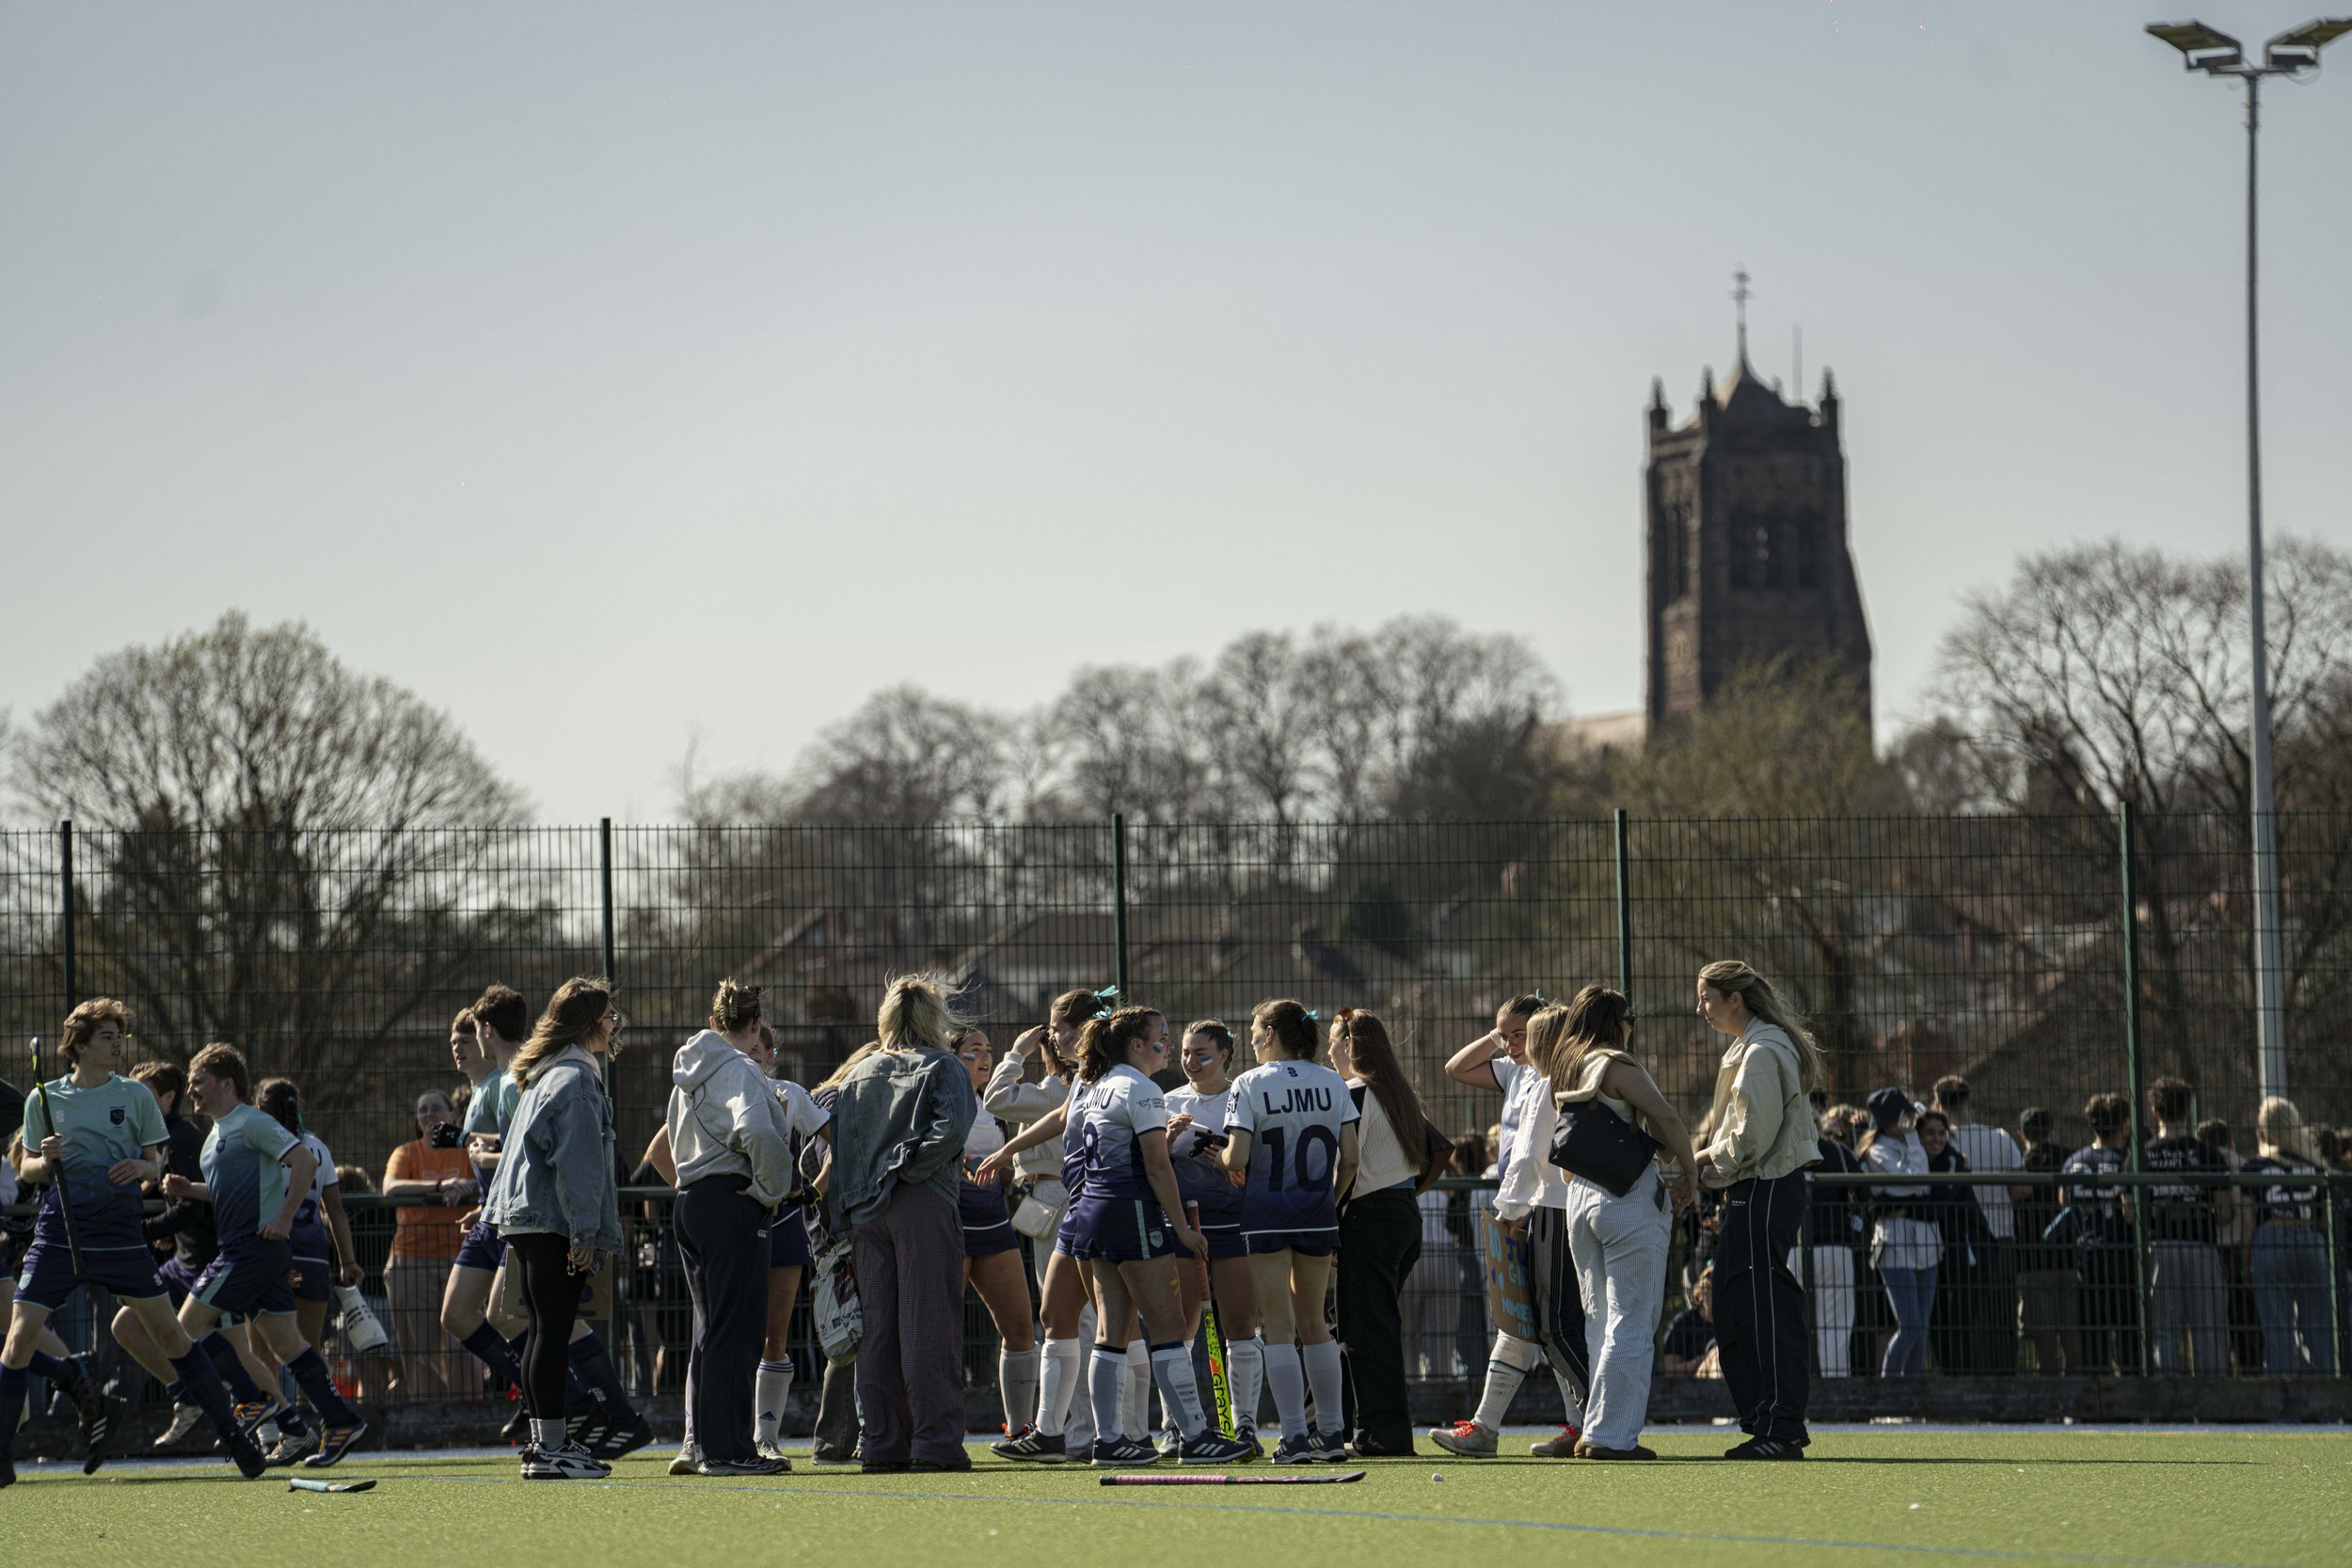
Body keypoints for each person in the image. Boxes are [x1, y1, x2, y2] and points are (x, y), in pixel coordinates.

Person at [4, 1002, 265, 1488]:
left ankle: (234, 1435)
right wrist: (46, 1159)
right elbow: (29, 1169)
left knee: (171, 1336)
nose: (117, 1045)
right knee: (18, 1340)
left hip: (119, 1234)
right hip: (59, 1234)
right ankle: (2, 1458)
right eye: (107, 1037)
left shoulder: (135, 1096)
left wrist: (142, 1168)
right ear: (80, 1046)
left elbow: (154, 1162)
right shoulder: (44, 1099)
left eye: (119, 1036)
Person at [1056, 1006, 1255, 1467]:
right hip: (1130, 1213)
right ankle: (1196, 1437)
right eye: (1162, 1038)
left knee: (1110, 1333)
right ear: (1137, 1045)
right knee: (1168, 1328)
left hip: (1092, 1211)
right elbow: (1157, 1166)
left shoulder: (1096, 1085)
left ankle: (1109, 1441)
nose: (1168, 1046)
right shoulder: (1141, 1088)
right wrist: (1182, 1229)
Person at [167, 1043, 371, 1465]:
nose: (190, 1090)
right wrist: (192, 1190)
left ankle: (253, 1398)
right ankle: (340, 1421)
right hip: (254, 1251)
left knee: (184, 1328)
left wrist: (284, 1216)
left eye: (198, 1080)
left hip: (251, 1249)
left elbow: (305, 1162)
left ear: (227, 1083)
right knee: (287, 1345)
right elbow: (232, 1193)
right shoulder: (214, 1138)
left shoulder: (252, 1121)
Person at [1537, 986, 1697, 1460]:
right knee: (1633, 1319)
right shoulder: (1614, 1063)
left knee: (1600, 1321)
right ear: (1618, 1021)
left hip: (1579, 1198)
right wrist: (1689, 1171)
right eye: (1630, 1020)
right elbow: (1665, 1117)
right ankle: (1611, 1437)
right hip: (1625, 1196)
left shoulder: (1565, 1066)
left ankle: (1594, 1428)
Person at [830, 974, 981, 1473]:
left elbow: (841, 1146)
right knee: (928, 1325)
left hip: (865, 1210)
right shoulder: (943, 1066)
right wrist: (911, 1168)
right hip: (922, 1202)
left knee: (877, 1330)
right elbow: (951, 1130)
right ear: (935, 1018)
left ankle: (881, 1443)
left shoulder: (860, 1072)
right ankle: (935, 1443)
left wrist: (851, 1206)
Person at [483, 976, 629, 1481]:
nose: (614, 1025)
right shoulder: (577, 1079)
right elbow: (579, 1164)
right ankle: (552, 1448)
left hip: (524, 1219)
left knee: (541, 1332)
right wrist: (585, 1234)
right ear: (588, 1024)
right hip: (553, 1222)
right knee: (553, 1332)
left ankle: (544, 1445)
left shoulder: (543, 1073)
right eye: (609, 1017)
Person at [1429, 992, 1585, 1459]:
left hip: (1541, 1208)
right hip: (1528, 1206)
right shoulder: (1519, 1072)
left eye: (1521, 1034)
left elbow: (1531, 1156)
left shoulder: (1550, 1077)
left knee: (1551, 1323)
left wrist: (1510, 1211)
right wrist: (1499, 1037)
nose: (1512, 1044)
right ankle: (1494, 1427)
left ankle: (1592, 1420)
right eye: (1505, 1036)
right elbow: (1456, 1067)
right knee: (1520, 1320)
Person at [666, 979, 799, 1476]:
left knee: (710, 1330)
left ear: (713, 1022)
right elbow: (758, 1130)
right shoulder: (743, 1069)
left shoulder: (688, 1072)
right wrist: (770, 1188)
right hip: (732, 1201)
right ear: (757, 1025)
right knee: (740, 1330)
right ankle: (731, 1451)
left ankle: (705, 1444)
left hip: (690, 1200)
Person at [1691, 960, 1823, 1460]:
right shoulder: (1751, 1049)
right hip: (1755, 1190)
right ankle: (1768, 1422)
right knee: (1735, 1308)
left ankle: (1780, 1428)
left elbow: (1751, 1139)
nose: (1700, 1008)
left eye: (1706, 998)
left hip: (1765, 1188)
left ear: (1736, 999)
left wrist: (1698, 1165)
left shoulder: (1761, 1052)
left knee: (1764, 1312)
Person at [1221, 997, 1359, 1465]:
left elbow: (1237, 1157)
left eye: (1254, 1033)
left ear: (1271, 1035)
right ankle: (1332, 1434)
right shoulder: (1332, 1081)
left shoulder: (1249, 1083)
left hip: (1266, 1214)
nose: (1252, 1042)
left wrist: (1220, 1159)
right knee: (1315, 1324)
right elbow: (1352, 1159)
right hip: (1317, 1215)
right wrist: (1330, 1202)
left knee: (1278, 1328)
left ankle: (1295, 1437)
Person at [980, 987, 1104, 1462]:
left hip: (1056, 1196)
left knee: (1072, 1318)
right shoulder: (1076, 1083)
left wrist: (1015, 1054)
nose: (1050, 1037)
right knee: (1084, 1317)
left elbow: (996, 1098)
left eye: (1057, 1029)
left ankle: (1079, 1431)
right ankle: (1088, 1428)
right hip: (1054, 1196)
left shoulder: (1059, 1088)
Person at [1327, 1009, 1432, 1457]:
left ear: (1350, 1045)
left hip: (1369, 1217)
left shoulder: (1355, 1092)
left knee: (1366, 1331)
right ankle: (1366, 1428)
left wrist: (1328, 1212)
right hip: (1403, 1213)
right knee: (1368, 1326)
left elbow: (1348, 1161)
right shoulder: (1397, 1093)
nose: (1329, 1052)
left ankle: (1381, 1434)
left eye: (1333, 1042)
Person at [1163, 1019, 1263, 1447]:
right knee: (1180, 1329)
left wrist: (1238, 1166)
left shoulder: (1244, 1095)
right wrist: (1167, 1139)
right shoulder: (1168, 1101)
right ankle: (1177, 1427)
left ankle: (1245, 1425)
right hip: (1182, 1225)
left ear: (1224, 1055)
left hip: (1234, 1223)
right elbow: (1151, 1164)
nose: (1191, 1061)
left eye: (1201, 1054)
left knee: (1240, 1325)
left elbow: (1259, 1158)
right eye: (1186, 1052)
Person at [254, 1076, 364, 1462]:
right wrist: (348, 1260)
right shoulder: (317, 1147)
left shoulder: (260, 1144)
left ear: (259, 1109)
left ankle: (278, 1433)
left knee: (262, 1350)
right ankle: (329, 1428)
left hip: (273, 1253)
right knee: (307, 1351)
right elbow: (335, 1211)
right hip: (315, 1257)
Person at [440, 995, 532, 1436]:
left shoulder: (501, 1083)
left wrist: (477, 1154)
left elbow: (515, 1145)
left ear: (484, 1036)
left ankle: (560, 1395)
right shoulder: (479, 1090)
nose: (458, 1048)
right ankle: (534, 1388)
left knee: (509, 1315)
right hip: (490, 1212)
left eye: (465, 1039)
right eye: (452, 1042)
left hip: (511, 1216)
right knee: (457, 1314)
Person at [949, 1026, 1041, 1450]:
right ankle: (938, 1428)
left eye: (988, 1050)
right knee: (941, 1331)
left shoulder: (991, 1105)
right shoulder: (939, 1100)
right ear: (951, 1058)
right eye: (974, 1051)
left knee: (1021, 1327)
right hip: (951, 1224)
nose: (985, 1058)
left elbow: (1002, 1173)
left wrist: (1011, 1172)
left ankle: (1019, 1430)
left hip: (993, 1223)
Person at [751, 1022, 830, 1462]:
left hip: (782, 1223)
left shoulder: (790, 1093)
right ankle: (701, 1436)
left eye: (757, 1051)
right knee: (723, 1333)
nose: (750, 1057)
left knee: (774, 1336)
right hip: (733, 1223)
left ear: (770, 1054)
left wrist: (814, 1189)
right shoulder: (716, 1086)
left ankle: (766, 1439)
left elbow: (836, 1140)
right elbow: (662, 1148)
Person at [380, 1085, 475, 1397]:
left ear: (453, 1116)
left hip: (462, 1258)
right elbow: (391, 1187)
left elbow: (491, 1181)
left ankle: (467, 1413)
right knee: (420, 1349)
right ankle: (427, 1412)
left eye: (436, 1108)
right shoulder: (406, 1153)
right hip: (411, 1259)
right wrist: (440, 1185)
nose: (429, 1114)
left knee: (462, 1345)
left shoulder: (468, 1151)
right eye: (423, 1109)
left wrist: (469, 1187)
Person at [1933, 1075, 2021, 1374]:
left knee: (1965, 1317)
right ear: (1969, 1100)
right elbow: (2022, 1187)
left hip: (1958, 1240)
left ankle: (1970, 1377)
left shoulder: (1940, 1142)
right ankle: (2006, 1376)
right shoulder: (1999, 1137)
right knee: (2003, 1313)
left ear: (1937, 1104)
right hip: (2000, 1234)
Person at [2141, 1077, 2228, 1376]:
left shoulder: (2142, 1156)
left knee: (2164, 1329)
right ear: (2188, 1110)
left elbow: (2130, 1213)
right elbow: (2225, 1213)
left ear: (2155, 1112)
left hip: (2161, 1248)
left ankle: (2167, 1393)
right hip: (2201, 1246)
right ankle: (2212, 1393)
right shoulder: (2209, 1154)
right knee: (2209, 1328)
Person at [2242, 1097, 2333, 1376]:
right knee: (2318, 1324)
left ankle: (2282, 1390)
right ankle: (2326, 1388)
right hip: (2309, 1238)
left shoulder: (2255, 1167)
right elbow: (2323, 1218)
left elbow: (2248, 1220)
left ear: (2265, 1131)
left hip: (2271, 1238)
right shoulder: (2314, 1166)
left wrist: (2245, 1261)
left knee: (2277, 1325)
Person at [1861, 1089, 1938, 1377]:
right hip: (1894, 1242)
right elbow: (1913, 1182)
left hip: (1926, 1241)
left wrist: (1913, 1140)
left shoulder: (1910, 1141)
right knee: (1911, 1326)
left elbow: (1921, 1185)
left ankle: (1913, 1392)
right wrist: (1913, 1138)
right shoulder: (1878, 1150)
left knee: (1922, 1328)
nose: (1910, 1120)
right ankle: (1890, 1388)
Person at [2060, 1094, 2137, 1375]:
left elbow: (2064, 1204)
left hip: (2087, 1257)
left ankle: (2098, 1392)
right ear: (2124, 1125)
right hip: (2123, 1256)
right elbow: (2131, 1214)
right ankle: (2131, 1390)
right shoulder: (2126, 1162)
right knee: (2129, 1333)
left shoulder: (2073, 1162)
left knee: (2093, 1336)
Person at [1916, 1108, 1991, 1375]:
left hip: (1966, 1254)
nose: (1937, 1139)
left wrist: (1904, 1207)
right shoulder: (1917, 1162)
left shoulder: (1952, 1161)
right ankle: (1949, 1375)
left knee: (1960, 1322)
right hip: (1937, 1255)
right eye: (1930, 1133)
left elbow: (1938, 1203)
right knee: (1937, 1322)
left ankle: (1965, 1379)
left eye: (1941, 1133)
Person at [2013, 1108, 2081, 1376]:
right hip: (2069, 1258)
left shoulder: (2021, 1165)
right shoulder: (2071, 1159)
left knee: (2043, 1343)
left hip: (2032, 1261)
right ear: (2052, 1131)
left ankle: (2048, 1394)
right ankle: (2076, 1392)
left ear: (2022, 1135)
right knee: (2072, 1335)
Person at [1804, 1107, 1865, 1379]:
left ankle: (1797, 1390)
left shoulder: (1780, 1152)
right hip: (1835, 1245)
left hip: (1792, 1248)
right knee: (1835, 1329)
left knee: (1794, 1326)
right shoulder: (1837, 1151)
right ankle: (1836, 1390)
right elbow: (1864, 1191)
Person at [1661, 1269, 1718, 1375]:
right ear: (1700, 1294)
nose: (1718, 1295)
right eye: (1712, 1289)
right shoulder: (1684, 1322)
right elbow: (1671, 1371)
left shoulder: (1731, 1321)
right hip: (1693, 1381)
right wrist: (1702, 1360)